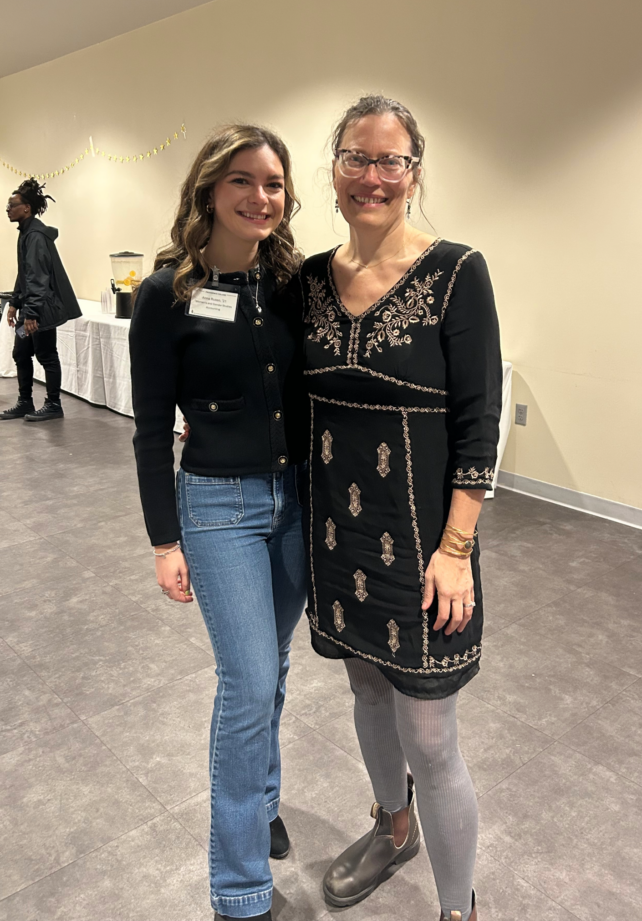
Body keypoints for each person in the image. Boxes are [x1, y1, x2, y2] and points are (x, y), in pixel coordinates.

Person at [299, 95, 502, 921]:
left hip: (424, 548)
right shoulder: (308, 281)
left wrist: (456, 549)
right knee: (366, 695)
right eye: (357, 157)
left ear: (415, 175)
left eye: (392, 161)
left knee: (432, 737)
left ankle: (459, 908)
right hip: (339, 539)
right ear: (334, 170)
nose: (373, 176)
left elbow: (478, 422)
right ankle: (393, 826)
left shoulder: (458, 272)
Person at [129, 125, 309, 921]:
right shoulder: (166, 293)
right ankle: (238, 891)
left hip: (298, 504)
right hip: (216, 507)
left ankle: (262, 797)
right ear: (209, 189)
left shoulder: (297, 284)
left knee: (274, 669)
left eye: (273, 183)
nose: (259, 197)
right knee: (246, 684)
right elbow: (145, 428)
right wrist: (163, 540)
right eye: (243, 180)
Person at [1, 178, 81, 422]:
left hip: (42, 308)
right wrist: (15, 302)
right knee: (21, 353)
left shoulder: (35, 236)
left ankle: (54, 404)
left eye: (12, 205)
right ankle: (25, 402)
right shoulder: (26, 233)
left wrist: (32, 313)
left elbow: (38, 277)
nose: (7, 209)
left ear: (26, 208)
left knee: (46, 355)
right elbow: (24, 273)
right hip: (31, 306)